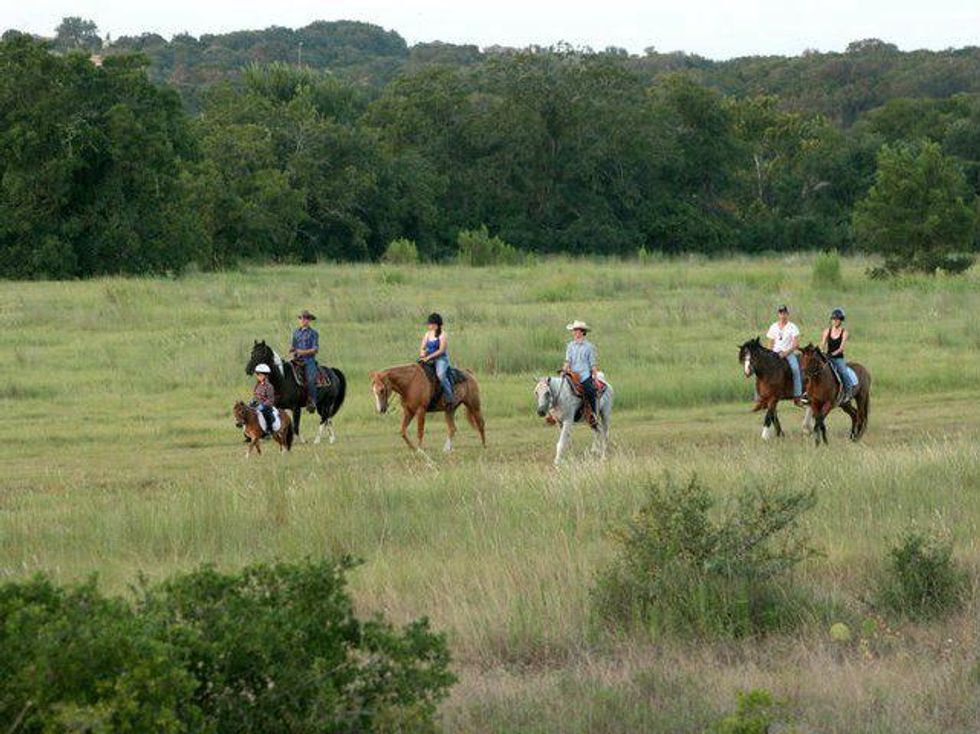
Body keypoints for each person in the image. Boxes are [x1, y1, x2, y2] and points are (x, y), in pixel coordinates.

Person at [766, 305, 805, 406]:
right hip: (775, 354)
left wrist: (786, 353)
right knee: (764, 369)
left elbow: (796, 344)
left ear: (787, 314)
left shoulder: (792, 327)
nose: (782, 315)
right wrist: (770, 354)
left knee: (795, 370)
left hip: (788, 353)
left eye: (784, 313)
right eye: (781, 313)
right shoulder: (773, 326)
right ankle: (763, 394)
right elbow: (770, 343)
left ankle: (797, 396)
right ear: (778, 315)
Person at [563, 319, 599, 427]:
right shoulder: (570, 346)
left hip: (584, 375)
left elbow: (593, 364)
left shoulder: (589, 347)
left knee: (590, 390)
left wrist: (595, 376)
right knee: (559, 388)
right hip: (572, 374)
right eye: (573, 330)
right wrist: (564, 370)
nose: (574, 332)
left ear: (582, 332)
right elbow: (568, 361)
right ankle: (557, 413)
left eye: (576, 330)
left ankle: (593, 414)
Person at [419, 312, 454, 406]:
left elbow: (441, 350)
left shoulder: (443, 335)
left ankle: (449, 397)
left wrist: (428, 357)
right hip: (428, 358)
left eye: (430, 324)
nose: (428, 325)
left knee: (440, 375)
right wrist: (422, 354)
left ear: (436, 325)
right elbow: (423, 347)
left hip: (441, 359)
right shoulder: (427, 334)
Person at [821, 307, 855, 398]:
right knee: (815, 369)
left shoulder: (844, 332)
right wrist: (821, 352)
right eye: (833, 319)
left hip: (838, 358)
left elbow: (841, 348)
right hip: (827, 357)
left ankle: (848, 392)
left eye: (837, 319)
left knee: (843, 372)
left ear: (841, 320)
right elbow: (822, 344)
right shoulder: (827, 331)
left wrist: (832, 354)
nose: (835, 321)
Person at [290, 310, 319, 411]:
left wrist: (302, 352)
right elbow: (294, 346)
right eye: (301, 318)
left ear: (309, 320)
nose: (303, 320)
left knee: (311, 379)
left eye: (306, 318)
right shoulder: (295, 332)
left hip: (309, 360)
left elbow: (315, 350)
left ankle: (312, 401)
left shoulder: (313, 333)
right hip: (297, 359)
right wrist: (292, 350)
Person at [252, 363, 277, 435]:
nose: (258, 376)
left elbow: (271, 400)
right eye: (257, 374)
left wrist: (263, 405)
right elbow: (256, 396)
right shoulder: (257, 385)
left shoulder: (269, 386)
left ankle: (269, 429)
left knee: (265, 414)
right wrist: (253, 401)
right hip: (257, 404)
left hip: (266, 406)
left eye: (259, 374)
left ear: (265, 376)